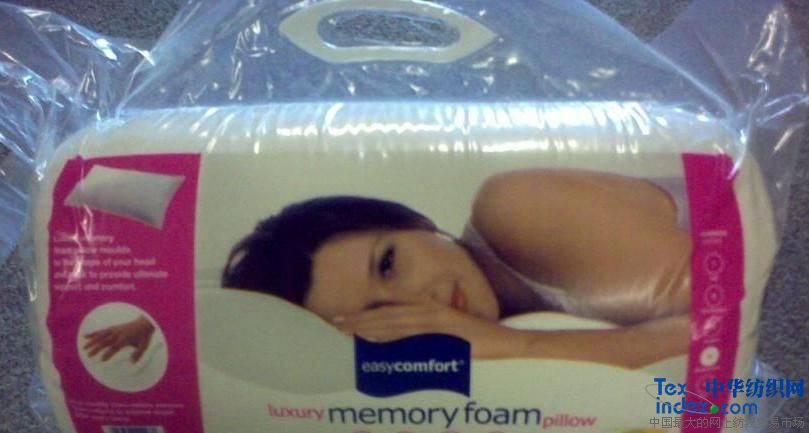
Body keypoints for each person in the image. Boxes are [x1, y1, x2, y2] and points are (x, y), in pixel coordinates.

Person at [223, 168, 693, 369]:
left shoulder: (514, 209)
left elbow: (719, 339)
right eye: (377, 314)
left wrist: (519, 346)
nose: (418, 304)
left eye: (388, 264)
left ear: (415, 222)